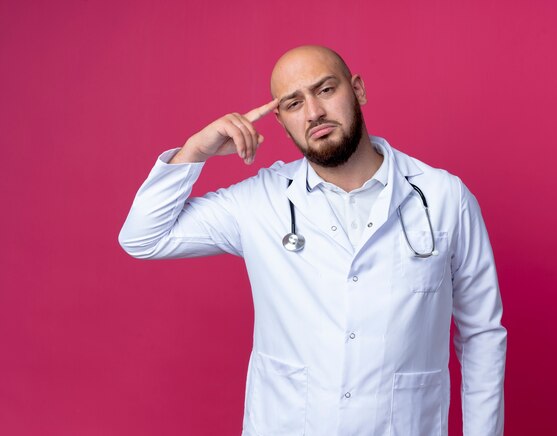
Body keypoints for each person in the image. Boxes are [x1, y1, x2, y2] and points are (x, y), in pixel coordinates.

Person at [119, 45, 506, 436]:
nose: (313, 113)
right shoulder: (260, 201)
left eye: (325, 90)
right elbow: (143, 237)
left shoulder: (443, 198)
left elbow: (481, 335)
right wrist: (196, 150)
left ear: (358, 90)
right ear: (281, 122)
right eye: (292, 103)